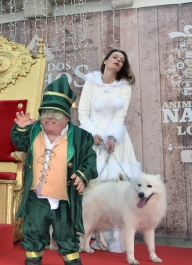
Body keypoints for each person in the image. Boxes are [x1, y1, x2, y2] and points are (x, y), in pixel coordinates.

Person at [11, 76, 97, 265]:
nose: (49, 116)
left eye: (56, 112)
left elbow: (89, 160)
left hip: (64, 200)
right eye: (45, 111)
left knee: (67, 239)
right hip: (36, 199)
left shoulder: (81, 137)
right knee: (32, 237)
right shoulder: (34, 130)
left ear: (67, 117)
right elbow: (19, 142)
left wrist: (82, 175)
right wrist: (21, 129)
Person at [78, 49, 142, 253]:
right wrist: (92, 134)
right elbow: (82, 112)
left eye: (122, 60)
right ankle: (83, 235)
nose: (118, 61)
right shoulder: (91, 83)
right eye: (115, 57)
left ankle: (111, 238)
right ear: (105, 60)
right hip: (92, 139)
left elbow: (120, 116)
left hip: (116, 140)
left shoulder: (124, 88)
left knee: (116, 187)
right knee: (91, 187)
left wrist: (112, 136)